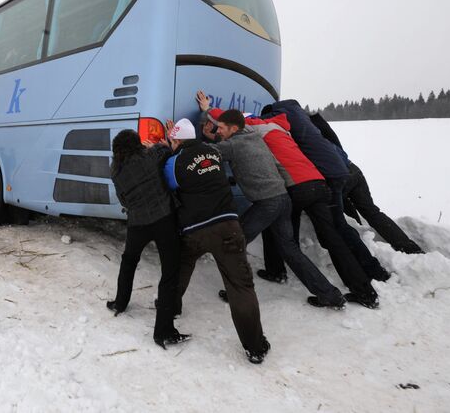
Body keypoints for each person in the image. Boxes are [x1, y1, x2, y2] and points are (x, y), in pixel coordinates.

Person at [202, 105, 348, 309]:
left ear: (234, 129)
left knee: (235, 242)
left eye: (221, 128)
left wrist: (192, 141)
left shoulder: (234, 145)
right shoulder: (255, 139)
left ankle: (238, 293)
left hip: (267, 203)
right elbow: (231, 147)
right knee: (290, 249)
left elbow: (205, 155)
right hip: (283, 199)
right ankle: (330, 295)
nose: (218, 131)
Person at [243, 112, 380, 308]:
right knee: (333, 238)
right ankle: (365, 291)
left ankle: (277, 271)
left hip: (297, 189)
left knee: (284, 236)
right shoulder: (283, 129)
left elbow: (235, 122)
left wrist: (208, 109)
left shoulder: (259, 129)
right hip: (318, 184)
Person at [163, 118, 270, 363]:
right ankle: (255, 347)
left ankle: (171, 307)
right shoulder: (213, 152)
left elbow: (170, 183)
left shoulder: (174, 162)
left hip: (195, 229)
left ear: (177, 140)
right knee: (240, 286)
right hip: (228, 226)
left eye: (172, 140)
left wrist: (167, 151)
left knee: (180, 267)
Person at [261, 100, 391, 282]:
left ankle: (370, 272)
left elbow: (260, 122)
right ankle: (371, 271)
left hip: (326, 175)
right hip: (337, 169)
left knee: (336, 229)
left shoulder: (279, 116)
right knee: (335, 227)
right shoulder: (300, 117)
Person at [107, 129, 188, 349]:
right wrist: (152, 145)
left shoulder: (116, 172)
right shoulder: (150, 157)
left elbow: (123, 200)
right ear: (137, 144)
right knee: (170, 272)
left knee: (129, 261)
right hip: (164, 219)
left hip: (137, 223)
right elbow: (165, 148)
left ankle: (120, 303)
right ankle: (163, 331)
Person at [308, 113, 424, 254]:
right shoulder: (319, 133)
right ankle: (408, 247)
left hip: (338, 177)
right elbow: (336, 143)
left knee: (338, 211)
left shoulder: (304, 139)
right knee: (372, 211)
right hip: (353, 169)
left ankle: (360, 237)